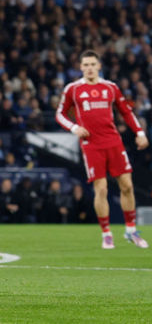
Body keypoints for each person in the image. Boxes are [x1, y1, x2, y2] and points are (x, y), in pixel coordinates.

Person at [56, 50, 149, 249]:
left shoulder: (111, 87)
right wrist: (74, 127)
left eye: (92, 64)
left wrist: (139, 133)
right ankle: (106, 233)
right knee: (101, 189)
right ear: (81, 67)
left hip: (113, 142)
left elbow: (126, 111)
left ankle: (131, 230)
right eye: (86, 65)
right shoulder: (73, 89)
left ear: (99, 66)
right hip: (92, 145)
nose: (89, 68)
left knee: (127, 186)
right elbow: (60, 114)